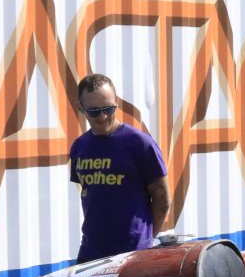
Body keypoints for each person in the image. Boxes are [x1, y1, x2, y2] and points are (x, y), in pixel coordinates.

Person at [69, 74, 170, 262]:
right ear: (80, 108)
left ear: (116, 103)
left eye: (108, 109)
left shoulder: (140, 144)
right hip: (91, 252)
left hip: (132, 254)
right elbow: (93, 195)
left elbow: (162, 200)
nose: (103, 116)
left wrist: (144, 241)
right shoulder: (79, 147)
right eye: (94, 111)